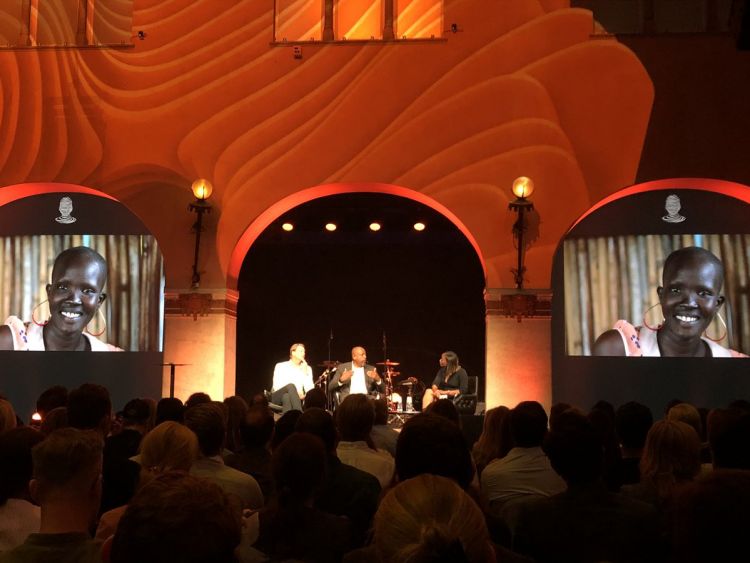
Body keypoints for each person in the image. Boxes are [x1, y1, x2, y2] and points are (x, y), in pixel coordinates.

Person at [593, 246, 746, 357]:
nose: (689, 302)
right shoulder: (618, 348)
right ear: (661, 295)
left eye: (703, 293)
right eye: (676, 290)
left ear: (717, 304)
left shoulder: (735, 364)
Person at [0, 246, 121, 351]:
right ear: (49, 292)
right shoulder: (9, 342)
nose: (74, 299)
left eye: (87, 291)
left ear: (99, 301)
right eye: (63, 287)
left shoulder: (111, 357)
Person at [271, 343, 314, 412]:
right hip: (277, 396)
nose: (303, 353)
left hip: (294, 399)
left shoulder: (307, 368)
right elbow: (276, 386)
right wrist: (295, 393)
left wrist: (306, 373)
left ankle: (288, 421)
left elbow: (310, 390)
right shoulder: (281, 366)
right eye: (301, 351)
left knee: (286, 398)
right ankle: (299, 413)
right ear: (293, 352)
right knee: (291, 386)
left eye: (304, 352)